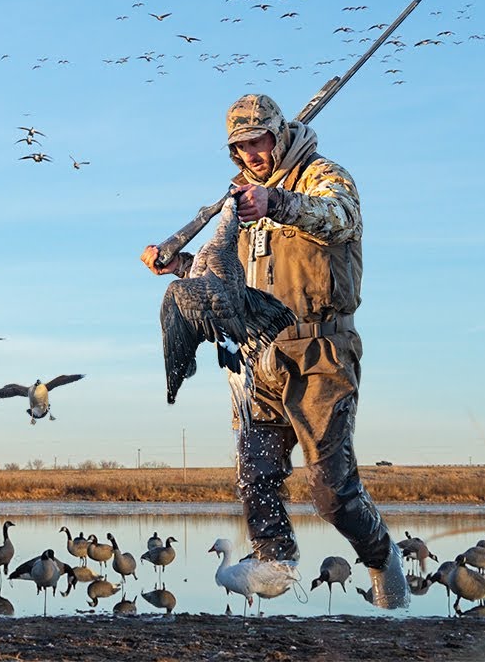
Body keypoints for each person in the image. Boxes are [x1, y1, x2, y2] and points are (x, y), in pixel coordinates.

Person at [140, 93, 409, 609]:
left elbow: (341, 217)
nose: (250, 154)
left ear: (279, 133)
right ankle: (276, 560)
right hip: (259, 352)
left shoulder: (323, 177)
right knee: (255, 470)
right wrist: (178, 266)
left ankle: (380, 558)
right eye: (239, 147)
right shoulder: (242, 197)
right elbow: (226, 277)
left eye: (257, 142)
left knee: (331, 492)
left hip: (320, 349)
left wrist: (277, 202)